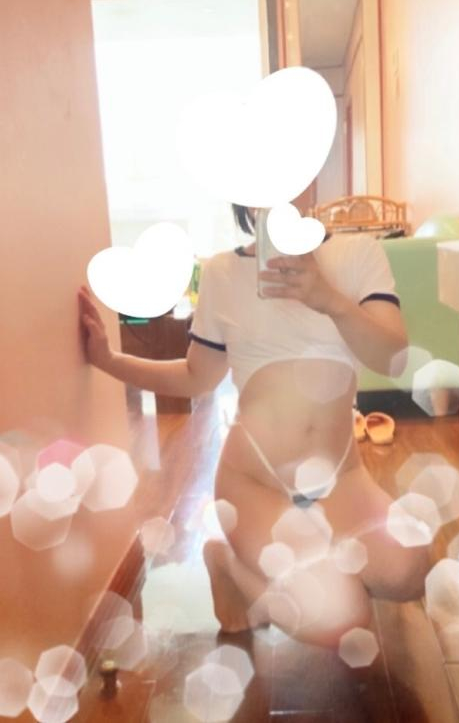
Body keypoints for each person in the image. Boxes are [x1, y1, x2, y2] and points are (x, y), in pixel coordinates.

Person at [78, 205, 430, 648]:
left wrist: (331, 301)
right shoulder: (222, 273)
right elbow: (196, 377)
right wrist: (109, 361)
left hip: (341, 478)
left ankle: (314, 560)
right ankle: (225, 562)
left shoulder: (357, 253)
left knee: (409, 570)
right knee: (343, 618)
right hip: (255, 484)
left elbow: (393, 359)